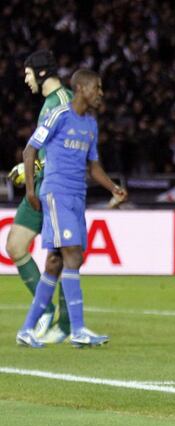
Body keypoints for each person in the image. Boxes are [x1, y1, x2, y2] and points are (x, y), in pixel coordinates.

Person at [16, 68, 127, 348]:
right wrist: (31, 191)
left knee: (55, 262)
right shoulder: (59, 115)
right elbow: (30, 150)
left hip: (78, 196)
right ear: (82, 89)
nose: (100, 94)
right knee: (73, 256)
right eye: (97, 88)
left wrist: (113, 187)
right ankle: (77, 330)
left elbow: (94, 166)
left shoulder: (90, 123)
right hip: (57, 193)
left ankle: (27, 329)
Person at [7, 50, 72, 343]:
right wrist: (30, 169)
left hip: (58, 188)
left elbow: (70, 148)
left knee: (61, 256)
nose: (25, 79)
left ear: (42, 72)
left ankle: (68, 325)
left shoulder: (63, 101)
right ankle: (44, 309)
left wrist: (33, 166)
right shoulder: (48, 103)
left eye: (28, 73)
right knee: (15, 245)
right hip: (40, 185)